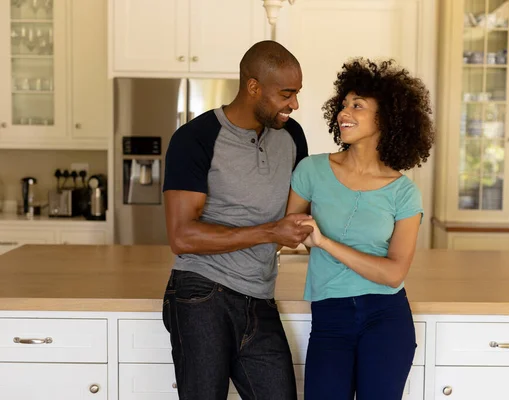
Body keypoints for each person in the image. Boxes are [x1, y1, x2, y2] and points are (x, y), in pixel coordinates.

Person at [161, 40, 314, 400]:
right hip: (201, 292)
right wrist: (270, 232)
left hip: (259, 295)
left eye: (296, 94)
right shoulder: (195, 139)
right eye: (286, 94)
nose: (295, 104)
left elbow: (301, 212)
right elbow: (182, 236)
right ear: (253, 87)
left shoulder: (292, 136)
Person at [286, 58, 435, 399]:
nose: (343, 113)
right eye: (342, 104)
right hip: (330, 317)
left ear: (385, 118)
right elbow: (290, 232)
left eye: (357, 106)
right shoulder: (311, 170)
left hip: (385, 318)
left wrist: (324, 242)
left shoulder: (404, 192)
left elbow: (394, 273)